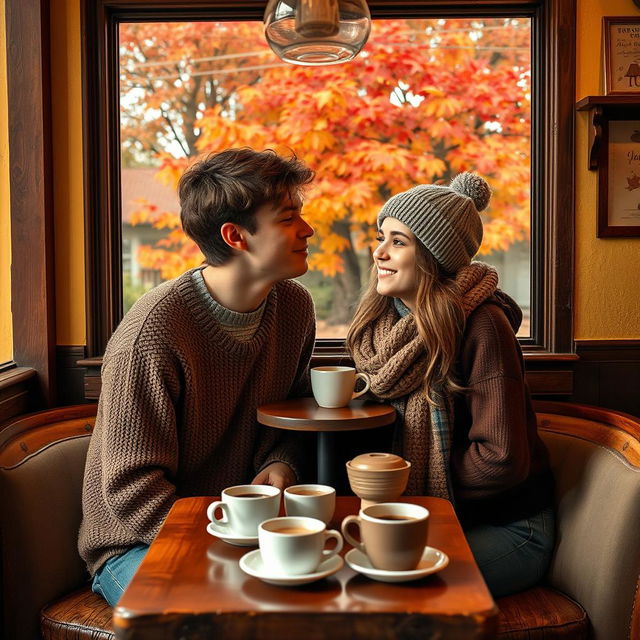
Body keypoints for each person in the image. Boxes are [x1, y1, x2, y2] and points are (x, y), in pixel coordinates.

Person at [79, 148, 316, 606]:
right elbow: (132, 491)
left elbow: (296, 407)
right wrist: (232, 539)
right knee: (219, 616)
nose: (307, 229)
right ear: (235, 236)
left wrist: (283, 461)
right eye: (288, 218)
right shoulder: (154, 329)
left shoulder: (293, 307)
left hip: (246, 533)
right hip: (138, 544)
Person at [347, 173, 554, 598]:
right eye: (380, 236)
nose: (379, 252)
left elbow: (501, 459)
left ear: (433, 258)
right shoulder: (387, 324)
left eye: (398, 242)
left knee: (385, 589)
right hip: (429, 514)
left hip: (509, 527)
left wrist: (403, 477)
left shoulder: (483, 326)